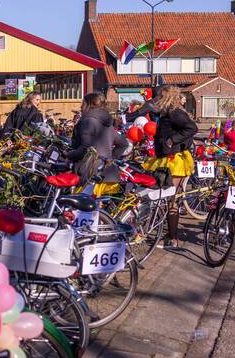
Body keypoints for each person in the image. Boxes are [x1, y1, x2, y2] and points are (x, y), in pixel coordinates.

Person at [142, 85, 198, 250]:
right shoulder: (167, 112)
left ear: (166, 97)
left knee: (172, 199)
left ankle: (173, 237)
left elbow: (192, 128)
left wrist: (172, 140)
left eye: (159, 97)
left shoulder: (175, 113)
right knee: (164, 197)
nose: (157, 100)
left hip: (174, 160)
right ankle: (166, 233)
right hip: (165, 158)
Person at [65, 92, 129, 182]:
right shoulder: (107, 123)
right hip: (109, 174)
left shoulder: (87, 121)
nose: (81, 107)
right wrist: (109, 159)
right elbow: (123, 144)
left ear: (89, 105)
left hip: (90, 174)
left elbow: (85, 148)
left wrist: (69, 155)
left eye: (83, 104)